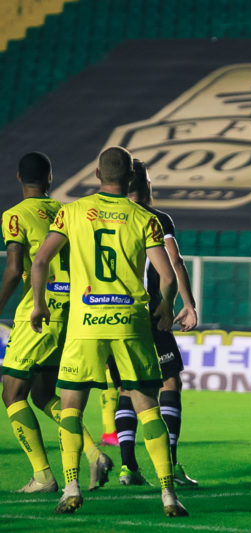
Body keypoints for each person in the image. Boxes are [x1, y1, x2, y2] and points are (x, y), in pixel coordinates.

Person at [30, 146, 187, 517]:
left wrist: (39, 304)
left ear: (97, 175)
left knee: (71, 406)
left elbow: (39, 260)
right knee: (148, 405)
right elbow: (167, 275)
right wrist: (166, 307)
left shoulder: (71, 212)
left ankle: (70, 487)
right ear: (132, 177)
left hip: (85, 322)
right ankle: (168, 493)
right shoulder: (144, 218)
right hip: (130, 321)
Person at [1, 152, 113, 494]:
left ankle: (43, 476)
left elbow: (13, 267)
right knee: (43, 393)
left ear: (19, 178)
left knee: (11, 392)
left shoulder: (15, 216)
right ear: (50, 179)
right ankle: (95, 455)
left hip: (38, 313)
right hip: (72, 311)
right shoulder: (68, 211)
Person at [112, 159, 199, 487]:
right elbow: (173, 261)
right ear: (144, 184)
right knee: (169, 384)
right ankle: (171, 463)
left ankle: (128, 467)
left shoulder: (105, 216)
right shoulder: (155, 218)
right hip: (149, 313)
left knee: (125, 386)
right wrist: (186, 304)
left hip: (112, 314)